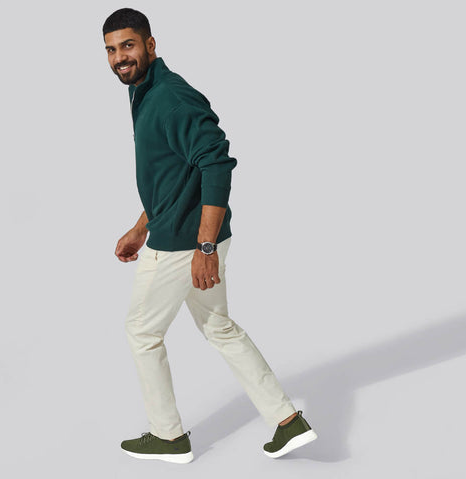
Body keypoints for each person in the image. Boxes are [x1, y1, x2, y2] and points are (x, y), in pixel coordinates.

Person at [103, 8, 317, 464]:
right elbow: (175, 175)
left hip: (185, 243)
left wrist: (204, 248)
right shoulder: (144, 91)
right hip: (192, 235)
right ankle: (287, 421)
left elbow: (216, 164)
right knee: (219, 327)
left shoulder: (171, 98)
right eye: (111, 49)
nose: (120, 57)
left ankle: (168, 437)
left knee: (141, 331)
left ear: (150, 45)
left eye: (128, 45)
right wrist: (140, 227)